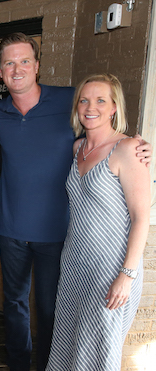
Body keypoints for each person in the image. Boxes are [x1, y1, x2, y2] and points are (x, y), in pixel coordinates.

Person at [0, 32, 151, 371]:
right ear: (0, 71)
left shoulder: (70, 99)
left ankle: (47, 365)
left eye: (25, 61)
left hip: (59, 231)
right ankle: (18, 364)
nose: (18, 69)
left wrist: (139, 144)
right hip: (12, 226)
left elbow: (108, 128)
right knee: (14, 304)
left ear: (37, 66)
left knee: (50, 308)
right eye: (9, 63)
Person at [46, 74, 149, 371]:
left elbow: (141, 218)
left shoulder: (128, 149)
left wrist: (126, 275)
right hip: (75, 264)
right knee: (68, 343)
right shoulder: (77, 148)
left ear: (115, 107)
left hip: (112, 269)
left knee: (99, 349)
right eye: (84, 100)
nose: (91, 107)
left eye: (101, 100)